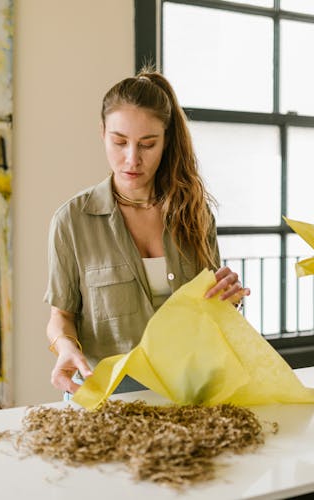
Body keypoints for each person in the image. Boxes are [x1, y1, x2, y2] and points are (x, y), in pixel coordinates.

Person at [44, 68, 250, 395]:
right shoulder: (72, 221)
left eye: (148, 144)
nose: (132, 159)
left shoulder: (194, 214)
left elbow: (209, 313)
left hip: (188, 394)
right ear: (102, 133)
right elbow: (60, 316)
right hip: (106, 398)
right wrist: (65, 347)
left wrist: (229, 299)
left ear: (166, 140)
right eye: (119, 142)